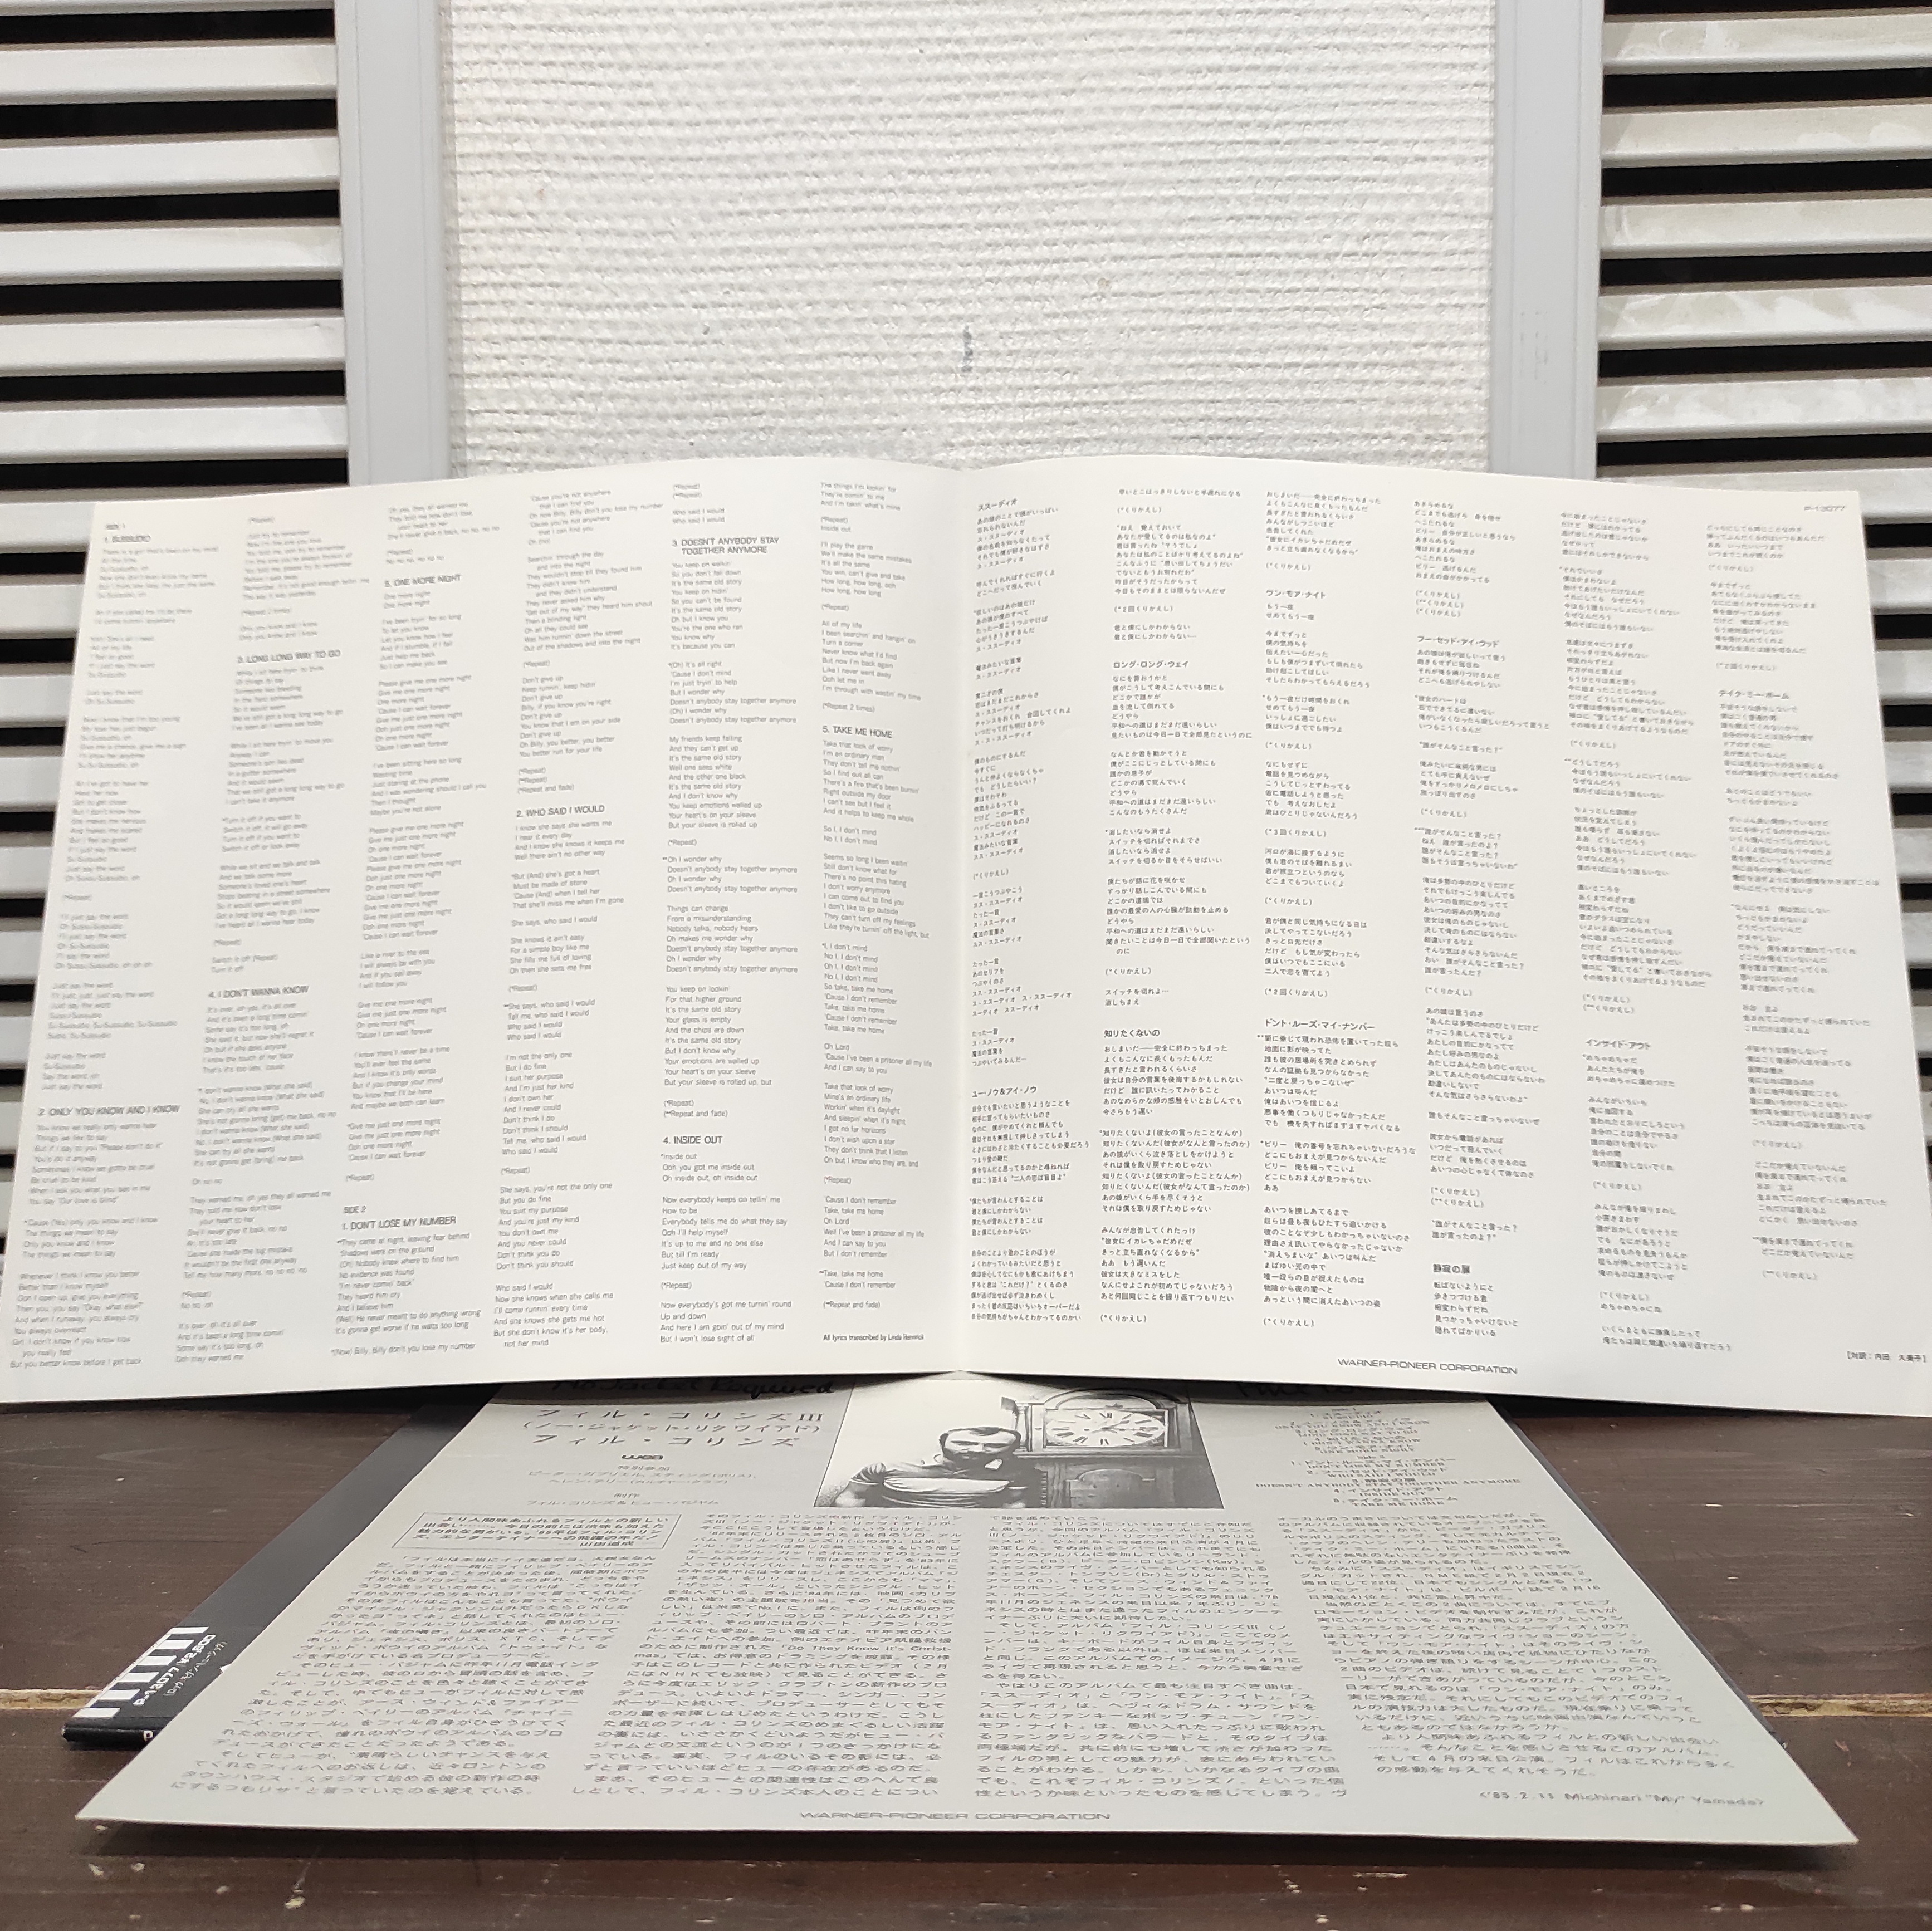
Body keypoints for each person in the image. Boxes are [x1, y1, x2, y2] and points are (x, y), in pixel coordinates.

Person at [827, 1425, 1029, 1507]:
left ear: (1010, 1450)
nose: (978, 1450)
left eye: (995, 1445)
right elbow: (851, 1498)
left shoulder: (1014, 1474)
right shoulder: (885, 1468)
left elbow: (1013, 1506)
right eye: (964, 1443)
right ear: (942, 1443)